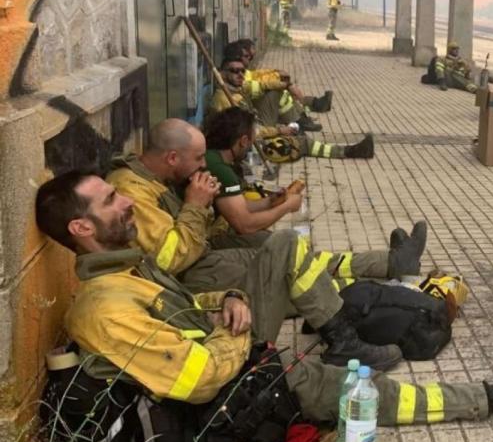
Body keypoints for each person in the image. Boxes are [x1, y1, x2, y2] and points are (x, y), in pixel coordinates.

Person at [34, 170, 493, 442]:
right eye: (108, 201)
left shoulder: (127, 272)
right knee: (358, 395)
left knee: (290, 258)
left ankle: (360, 319)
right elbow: (197, 380)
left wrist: (230, 304)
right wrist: (242, 342)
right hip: (221, 398)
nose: (124, 202)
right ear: (81, 230)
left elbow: (188, 307)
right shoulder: (103, 307)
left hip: (233, 362)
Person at [105, 119, 425, 368]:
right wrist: (195, 205)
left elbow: (217, 226)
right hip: (193, 277)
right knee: (288, 253)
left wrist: (231, 205)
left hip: (203, 258)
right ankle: (347, 334)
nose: (203, 166)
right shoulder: (132, 191)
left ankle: (389, 265)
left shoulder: (156, 177)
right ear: (172, 157)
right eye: (198, 158)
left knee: (290, 257)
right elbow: (170, 259)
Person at [211, 56, 373, 162]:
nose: (240, 74)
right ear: (222, 74)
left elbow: (263, 85)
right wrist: (279, 131)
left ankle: (300, 118)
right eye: (234, 71)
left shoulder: (238, 88)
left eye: (242, 71)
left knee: (273, 93)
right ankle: (348, 151)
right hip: (248, 147)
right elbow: (252, 132)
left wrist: (288, 85)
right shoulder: (224, 99)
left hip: (256, 128)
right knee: (300, 144)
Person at [203, 107, 305, 238]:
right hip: (205, 239)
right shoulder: (221, 170)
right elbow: (245, 225)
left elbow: (240, 206)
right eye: (251, 142)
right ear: (243, 141)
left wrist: (269, 202)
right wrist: (287, 207)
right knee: (271, 242)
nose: (250, 147)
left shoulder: (213, 157)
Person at [222, 40, 331, 133]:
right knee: (277, 92)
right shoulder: (236, 79)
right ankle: (302, 116)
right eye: (247, 56)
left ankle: (310, 108)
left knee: (281, 91)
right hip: (256, 126)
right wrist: (286, 85)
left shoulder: (241, 73)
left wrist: (277, 73)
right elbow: (259, 84)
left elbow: (260, 74)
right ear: (236, 59)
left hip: (255, 118)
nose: (250, 59)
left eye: (251, 56)